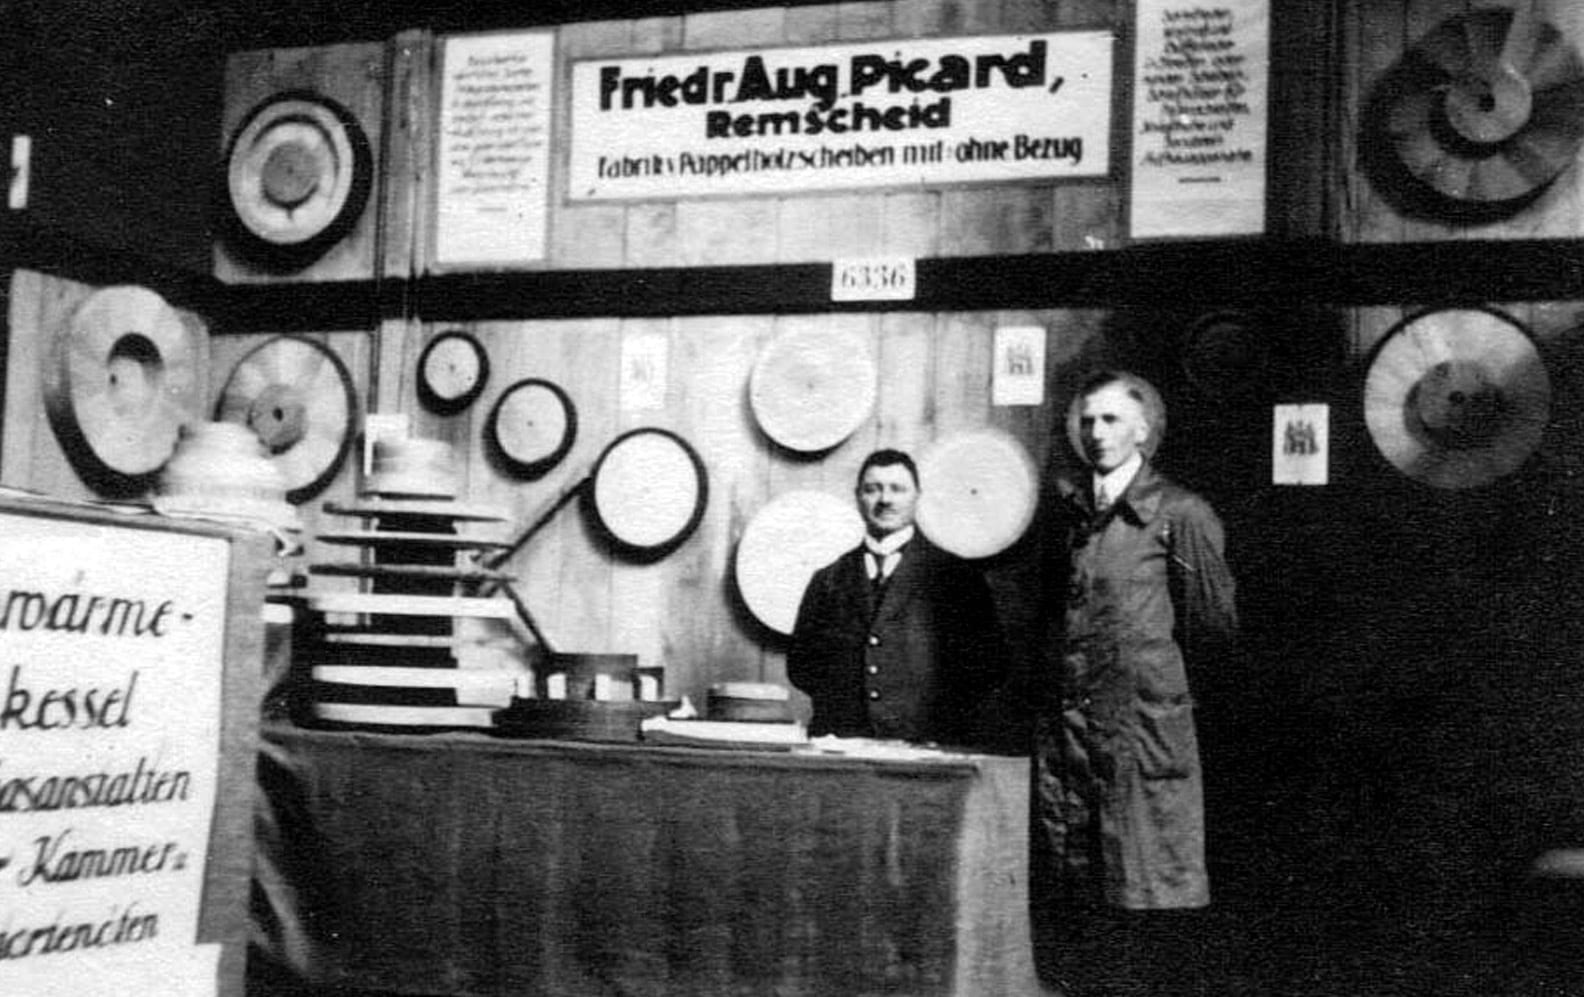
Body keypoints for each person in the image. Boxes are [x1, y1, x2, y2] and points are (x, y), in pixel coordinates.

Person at [1034, 371, 1238, 995]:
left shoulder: (1180, 514)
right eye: (1088, 421)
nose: (1097, 433)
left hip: (1142, 737)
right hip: (1071, 738)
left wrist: (1154, 694)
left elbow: (1213, 630)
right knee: (1079, 895)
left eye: (1112, 420)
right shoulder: (1071, 514)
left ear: (1143, 431)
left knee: (1142, 894)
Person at [787, 448, 1006, 747]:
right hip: (842, 745)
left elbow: (989, 667)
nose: (885, 499)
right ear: (858, 497)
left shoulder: (957, 578)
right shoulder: (827, 580)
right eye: (872, 489)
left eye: (897, 489)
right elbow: (801, 668)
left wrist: (938, 722)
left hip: (929, 748)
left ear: (917, 496)